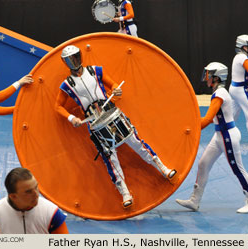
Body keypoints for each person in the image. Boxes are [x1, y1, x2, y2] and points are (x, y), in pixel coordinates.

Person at [55, 45, 176, 208]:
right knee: (111, 159)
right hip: (95, 124)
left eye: (76, 57)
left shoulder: (95, 71)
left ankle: (163, 168)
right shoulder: (67, 84)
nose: (74, 61)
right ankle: (125, 192)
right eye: (70, 60)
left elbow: (114, 85)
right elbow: (57, 106)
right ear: (65, 62)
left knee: (137, 143)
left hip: (113, 114)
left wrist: (116, 90)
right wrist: (71, 118)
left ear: (80, 56)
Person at [176, 62, 248, 214]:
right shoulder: (219, 92)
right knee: (203, 164)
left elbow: (207, 120)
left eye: (208, 75)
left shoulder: (219, 94)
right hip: (220, 135)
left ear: (216, 78)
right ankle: (195, 201)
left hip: (227, 136)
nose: (206, 78)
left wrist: (187, 123)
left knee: (237, 169)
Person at [0, 167, 68, 234]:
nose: (36, 194)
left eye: (36, 187)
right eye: (28, 192)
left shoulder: (52, 213)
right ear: (13, 196)